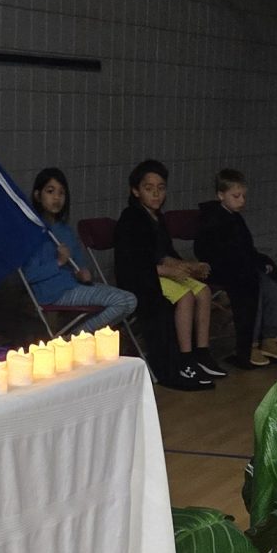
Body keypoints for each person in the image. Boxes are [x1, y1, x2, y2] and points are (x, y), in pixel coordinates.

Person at [112, 159, 220, 389]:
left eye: (161, 188)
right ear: (136, 191)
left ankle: (201, 352)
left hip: (160, 273)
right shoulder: (131, 218)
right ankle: (184, 357)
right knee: (186, 296)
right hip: (143, 279)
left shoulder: (158, 218)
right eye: (149, 188)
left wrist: (189, 266)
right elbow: (135, 264)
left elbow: (164, 254)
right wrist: (171, 270)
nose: (156, 194)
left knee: (203, 291)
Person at [191, 170, 277, 369]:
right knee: (253, 287)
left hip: (241, 267)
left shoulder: (236, 218)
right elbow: (213, 252)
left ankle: (271, 337)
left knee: (271, 286)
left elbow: (246, 249)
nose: (242, 201)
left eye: (244, 196)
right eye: (236, 196)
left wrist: (260, 261)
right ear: (221, 195)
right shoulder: (212, 219)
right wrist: (249, 263)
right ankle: (249, 343)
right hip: (223, 269)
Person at [25, 169, 136, 332]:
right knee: (120, 301)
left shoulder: (65, 230)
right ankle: (73, 339)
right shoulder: (32, 232)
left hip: (74, 286)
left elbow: (80, 265)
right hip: (53, 293)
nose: (56, 198)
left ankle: (78, 337)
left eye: (61, 193)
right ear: (37, 195)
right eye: (50, 191)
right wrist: (59, 262)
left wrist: (84, 274)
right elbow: (29, 275)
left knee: (130, 301)